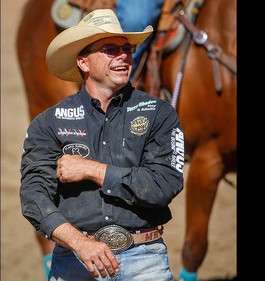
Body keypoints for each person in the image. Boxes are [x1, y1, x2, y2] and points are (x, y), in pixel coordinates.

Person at [20, 8, 185, 281]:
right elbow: (33, 197)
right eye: (110, 49)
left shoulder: (159, 113)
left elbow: (164, 184)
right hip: (75, 259)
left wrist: (92, 170)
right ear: (83, 63)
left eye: (127, 48)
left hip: (145, 259)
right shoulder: (48, 122)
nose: (123, 55)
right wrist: (79, 243)